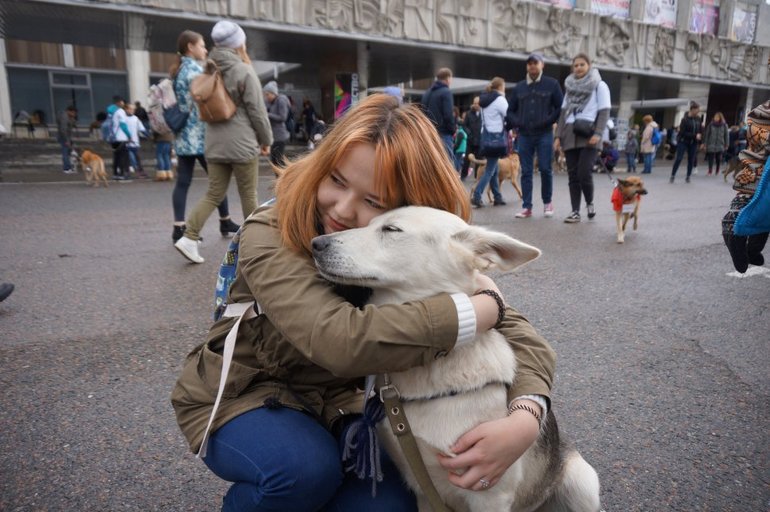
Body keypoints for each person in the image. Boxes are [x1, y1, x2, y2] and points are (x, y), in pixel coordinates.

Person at [170, 94, 555, 511]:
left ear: (409, 205)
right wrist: (479, 308)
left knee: (391, 504)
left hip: (339, 405)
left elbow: (525, 339)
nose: (343, 208)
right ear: (322, 164)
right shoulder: (268, 229)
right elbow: (337, 340)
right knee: (302, 471)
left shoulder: (409, 245)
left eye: (374, 201)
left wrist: (525, 417)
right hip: (244, 395)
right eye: (336, 179)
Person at [175, 21, 272, 264]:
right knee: (249, 194)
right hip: (242, 143)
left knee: (213, 193)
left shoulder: (207, 70)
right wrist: (266, 139)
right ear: (239, 43)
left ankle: (189, 237)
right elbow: (257, 112)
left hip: (214, 143)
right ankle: (256, 247)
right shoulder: (243, 71)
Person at [168, 29, 237, 243]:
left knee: (183, 182)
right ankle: (224, 220)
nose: (205, 49)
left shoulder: (178, 71)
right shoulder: (196, 71)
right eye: (202, 45)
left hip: (183, 137)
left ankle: (178, 227)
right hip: (202, 136)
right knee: (218, 181)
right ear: (190, 47)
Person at [554, 53, 611, 223]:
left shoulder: (599, 85)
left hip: (589, 132)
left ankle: (590, 202)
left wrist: (598, 133)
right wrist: (558, 136)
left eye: (582, 65)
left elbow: (604, 111)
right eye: (575, 65)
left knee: (584, 172)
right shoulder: (569, 87)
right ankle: (575, 211)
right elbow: (563, 114)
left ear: (589, 65)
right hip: (570, 133)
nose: (578, 68)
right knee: (572, 174)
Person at [506, 52, 564, 219]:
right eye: (529, 63)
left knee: (546, 169)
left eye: (535, 63)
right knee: (526, 171)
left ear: (542, 65)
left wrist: (548, 121)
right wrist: (518, 122)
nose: (532, 66)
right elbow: (510, 111)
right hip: (524, 135)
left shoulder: (552, 84)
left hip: (544, 133)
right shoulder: (519, 87)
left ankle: (547, 203)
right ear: (527, 66)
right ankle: (527, 206)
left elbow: (560, 108)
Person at [471, 77, 509, 208]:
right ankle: (477, 195)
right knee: (490, 169)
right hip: (497, 137)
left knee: (494, 167)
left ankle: (497, 197)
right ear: (500, 87)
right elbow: (507, 114)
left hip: (486, 137)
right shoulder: (500, 99)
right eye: (504, 86)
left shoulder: (484, 100)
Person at [421, 67, 456, 161]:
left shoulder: (427, 93)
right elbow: (448, 115)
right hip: (444, 133)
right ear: (448, 78)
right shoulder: (446, 92)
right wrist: (453, 130)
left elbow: (423, 113)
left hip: (429, 133)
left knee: (433, 163)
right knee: (447, 164)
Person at [669, 101, 703, 183]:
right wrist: (694, 135)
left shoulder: (698, 119)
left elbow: (701, 130)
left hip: (694, 143)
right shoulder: (684, 119)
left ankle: (688, 176)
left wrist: (701, 141)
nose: (698, 111)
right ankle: (673, 175)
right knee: (679, 158)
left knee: (691, 159)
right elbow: (682, 133)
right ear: (692, 110)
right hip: (683, 141)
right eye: (697, 110)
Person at [263, 80, 291, 168]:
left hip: (280, 136)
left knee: (279, 161)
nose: (266, 97)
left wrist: (268, 114)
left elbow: (283, 117)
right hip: (273, 136)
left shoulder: (281, 100)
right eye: (265, 95)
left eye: (267, 94)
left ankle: (284, 180)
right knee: (274, 161)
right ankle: (279, 180)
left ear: (273, 93)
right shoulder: (270, 102)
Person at [106, 96, 132, 181]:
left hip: (113, 137)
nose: (123, 104)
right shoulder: (120, 111)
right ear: (119, 102)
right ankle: (122, 174)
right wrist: (129, 135)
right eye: (122, 102)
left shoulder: (110, 111)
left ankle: (115, 174)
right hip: (121, 137)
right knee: (122, 156)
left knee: (116, 156)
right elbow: (123, 125)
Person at [124, 103, 149, 179]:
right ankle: (127, 172)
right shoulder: (123, 118)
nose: (132, 111)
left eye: (133, 109)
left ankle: (140, 171)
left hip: (135, 142)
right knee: (128, 159)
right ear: (126, 109)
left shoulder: (136, 119)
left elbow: (141, 129)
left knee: (137, 158)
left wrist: (147, 134)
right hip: (126, 143)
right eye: (130, 109)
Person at [461, 96, 482, 180]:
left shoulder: (483, 113)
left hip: (480, 141)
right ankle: (463, 175)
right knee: (467, 159)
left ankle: (477, 176)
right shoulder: (469, 113)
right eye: (475, 103)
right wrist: (469, 134)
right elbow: (464, 125)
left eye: (478, 103)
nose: (476, 105)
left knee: (478, 159)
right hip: (470, 140)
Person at [703, 112, 729, 176]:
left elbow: (726, 135)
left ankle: (717, 169)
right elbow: (707, 135)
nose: (715, 118)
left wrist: (727, 144)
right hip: (711, 144)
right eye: (715, 117)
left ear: (720, 118)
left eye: (717, 117)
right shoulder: (711, 125)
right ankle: (710, 171)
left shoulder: (724, 125)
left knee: (718, 158)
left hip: (720, 144)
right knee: (710, 158)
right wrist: (705, 144)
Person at [56, 105, 77, 174]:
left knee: (68, 152)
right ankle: (66, 168)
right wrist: (66, 140)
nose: (74, 114)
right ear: (69, 111)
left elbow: (71, 125)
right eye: (73, 113)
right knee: (65, 152)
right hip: (64, 137)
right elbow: (63, 130)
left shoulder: (69, 117)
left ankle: (69, 167)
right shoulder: (64, 117)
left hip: (68, 137)